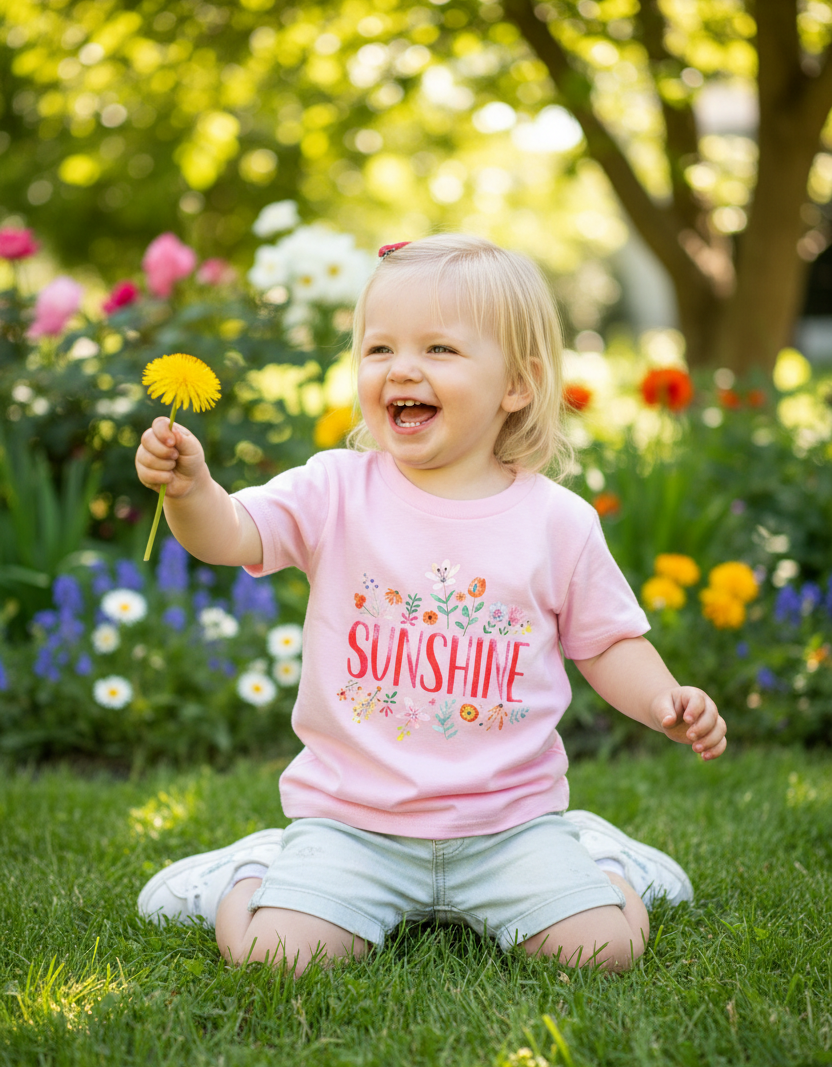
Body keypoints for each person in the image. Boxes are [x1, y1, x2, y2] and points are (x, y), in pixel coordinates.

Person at [135, 234, 726, 976]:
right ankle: (245, 874)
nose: (401, 369)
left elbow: (607, 643)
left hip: (510, 828)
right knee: (272, 958)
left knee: (605, 951)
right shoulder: (334, 490)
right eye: (378, 349)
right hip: (354, 826)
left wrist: (668, 698)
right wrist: (193, 493)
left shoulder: (558, 523)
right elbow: (232, 534)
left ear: (517, 383)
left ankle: (604, 861)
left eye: (440, 349)